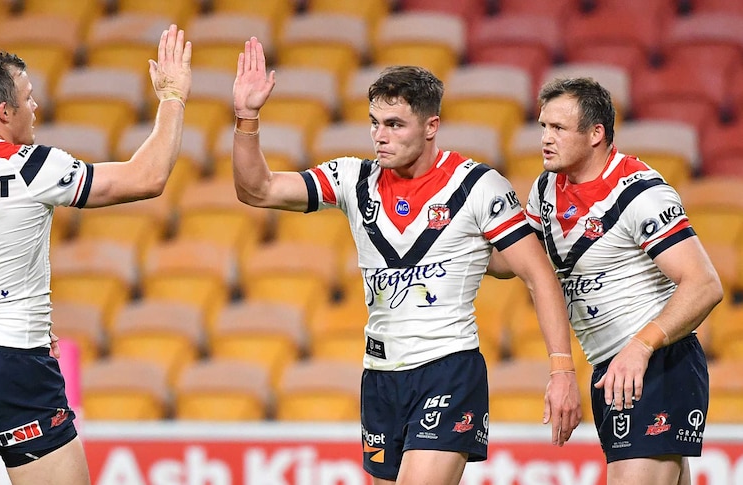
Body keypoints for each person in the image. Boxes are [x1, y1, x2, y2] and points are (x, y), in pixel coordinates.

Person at [232, 37, 581, 484]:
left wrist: (561, 370)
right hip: (379, 376)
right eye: (375, 123)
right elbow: (256, 190)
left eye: (395, 124)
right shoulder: (352, 179)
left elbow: (538, 275)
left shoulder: (475, 186)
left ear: (431, 125)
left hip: (447, 370)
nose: (380, 136)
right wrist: (247, 117)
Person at [0, 25, 191, 485]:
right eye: (29, 97)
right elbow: (147, 177)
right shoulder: (30, 165)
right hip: (10, 362)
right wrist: (173, 96)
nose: (36, 107)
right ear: (3, 111)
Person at [513, 77, 723, 484]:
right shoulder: (545, 189)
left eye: (558, 128)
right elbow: (522, 263)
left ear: (596, 134)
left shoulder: (640, 192)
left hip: (657, 363)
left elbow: (704, 283)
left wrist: (641, 347)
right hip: (611, 369)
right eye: (542, 126)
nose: (545, 138)